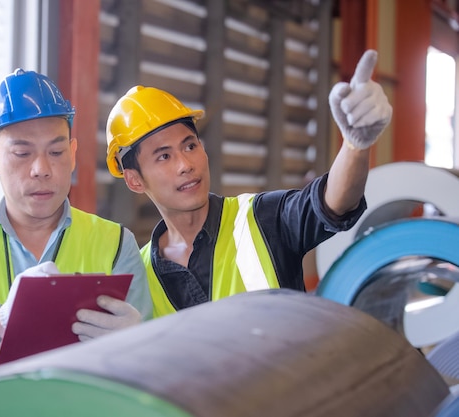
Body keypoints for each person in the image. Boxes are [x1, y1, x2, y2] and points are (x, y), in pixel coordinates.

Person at [105, 49, 392, 318]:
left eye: (190, 146)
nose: (185, 165)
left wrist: (355, 145)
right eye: (164, 156)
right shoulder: (138, 275)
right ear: (134, 180)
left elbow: (334, 203)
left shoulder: (260, 218)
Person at [0, 68, 152, 388]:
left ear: (73, 155)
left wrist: (138, 342)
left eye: (56, 152)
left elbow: (146, 370)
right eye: (22, 153)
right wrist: (0, 322)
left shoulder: (116, 242)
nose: (41, 169)